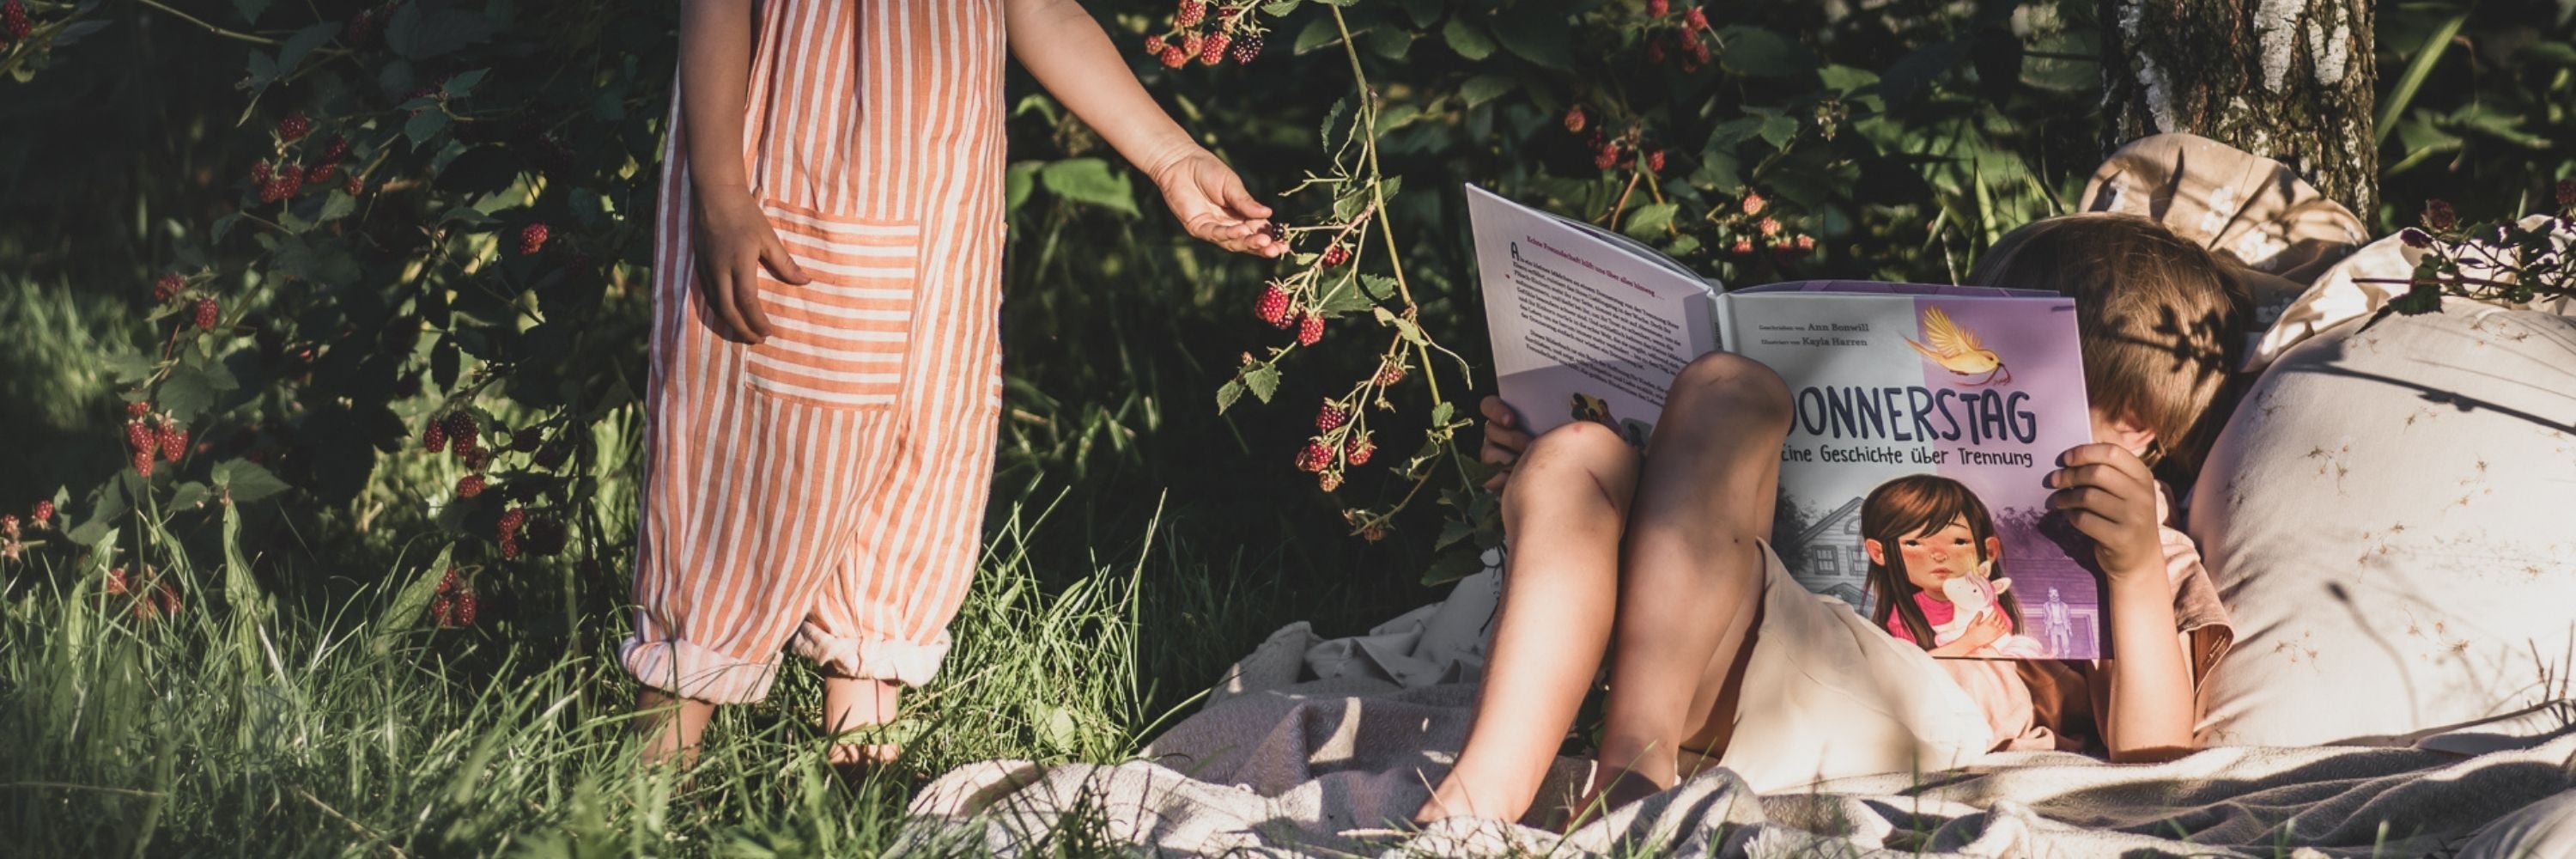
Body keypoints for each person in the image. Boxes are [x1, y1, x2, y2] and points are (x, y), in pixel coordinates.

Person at [624, 0, 1285, 769]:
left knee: (919, 454)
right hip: (799, 178)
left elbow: (1040, 11)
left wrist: (1172, 159)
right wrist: (721, 194)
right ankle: (651, 787)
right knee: (752, 467)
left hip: (940, 215)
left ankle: (860, 770)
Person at [1415, 212, 2239, 825]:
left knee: (1732, 390)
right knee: (1587, 452)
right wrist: (1536, 465)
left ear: (2137, 429)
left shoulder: (2141, 548)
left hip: (1888, 698)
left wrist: (2129, 574)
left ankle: (1632, 778)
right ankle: (1469, 806)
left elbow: (2151, 758)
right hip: (1699, 629)